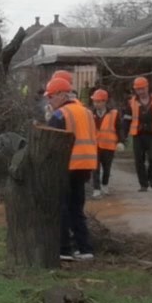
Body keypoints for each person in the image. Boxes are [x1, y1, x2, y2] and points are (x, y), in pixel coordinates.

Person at [45, 74, 97, 261]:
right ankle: (85, 249)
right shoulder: (87, 112)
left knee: (62, 207)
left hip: (67, 166)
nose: (49, 101)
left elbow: (50, 144)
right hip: (86, 165)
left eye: (50, 97)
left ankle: (64, 249)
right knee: (77, 207)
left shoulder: (60, 115)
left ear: (60, 94)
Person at [90, 88, 121, 198]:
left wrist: (120, 141)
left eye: (98, 101)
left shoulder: (114, 114)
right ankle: (96, 188)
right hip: (94, 145)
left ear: (104, 102)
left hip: (109, 146)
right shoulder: (89, 114)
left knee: (107, 167)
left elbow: (119, 128)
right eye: (95, 101)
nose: (96, 104)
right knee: (95, 168)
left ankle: (105, 184)